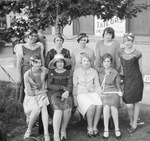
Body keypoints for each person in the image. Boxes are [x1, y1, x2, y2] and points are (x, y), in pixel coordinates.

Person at [118, 33, 144, 133]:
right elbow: (120, 67)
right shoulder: (121, 52)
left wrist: (141, 82)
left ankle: (134, 124)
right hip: (126, 80)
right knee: (128, 104)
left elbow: (141, 69)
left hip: (136, 80)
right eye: (125, 41)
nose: (127, 43)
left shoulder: (138, 53)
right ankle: (132, 120)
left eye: (128, 41)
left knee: (136, 102)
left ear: (132, 41)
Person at [73, 53, 102, 138]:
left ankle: (95, 126)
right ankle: (89, 127)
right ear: (81, 62)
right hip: (81, 93)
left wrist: (100, 94)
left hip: (92, 92)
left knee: (99, 105)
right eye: (84, 61)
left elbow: (97, 85)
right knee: (91, 106)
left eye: (88, 61)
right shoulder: (77, 71)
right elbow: (75, 86)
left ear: (90, 62)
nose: (86, 63)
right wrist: (75, 97)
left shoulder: (94, 71)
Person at [23, 55, 50, 141]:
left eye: (40, 62)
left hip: (42, 94)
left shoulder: (44, 70)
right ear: (31, 63)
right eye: (36, 62)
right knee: (36, 110)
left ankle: (46, 133)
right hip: (31, 96)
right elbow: (29, 92)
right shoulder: (27, 74)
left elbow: (53, 72)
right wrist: (40, 92)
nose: (39, 64)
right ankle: (29, 129)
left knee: (44, 107)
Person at [47, 53, 73, 141]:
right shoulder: (51, 72)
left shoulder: (68, 72)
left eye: (61, 61)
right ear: (55, 63)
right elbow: (49, 85)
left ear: (64, 63)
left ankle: (63, 130)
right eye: (57, 62)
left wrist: (67, 91)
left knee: (67, 109)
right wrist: (61, 88)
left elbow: (70, 85)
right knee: (58, 111)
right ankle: (56, 134)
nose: (60, 64)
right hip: (54, 93)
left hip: (65, 93)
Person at [97, 53, 123, 141]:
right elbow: (97, 84)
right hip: (104, 92)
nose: (106, 63)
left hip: (113, 92)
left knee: (113, 106)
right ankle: (106, 129)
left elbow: (118, 85)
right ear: (102, 62)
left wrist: (120, 96)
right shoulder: (99, 71)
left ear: (111, 62)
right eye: (104, 61)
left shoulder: (115, 72)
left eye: (108, 61)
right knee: (106, 106)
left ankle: (117, 128)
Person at [15, 29, 45, 103]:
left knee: (36, 89)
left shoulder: (39, 46)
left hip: (37, 72)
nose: (33, 37)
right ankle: (25, 108)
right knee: (26, 89)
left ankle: (36, 106)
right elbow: (18, 64)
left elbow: (42, 60)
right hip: (25, 72)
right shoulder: (21, 47)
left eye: (35, 36)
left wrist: (43, 72)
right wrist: (19, 76)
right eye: (31, 35)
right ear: (28, 36)